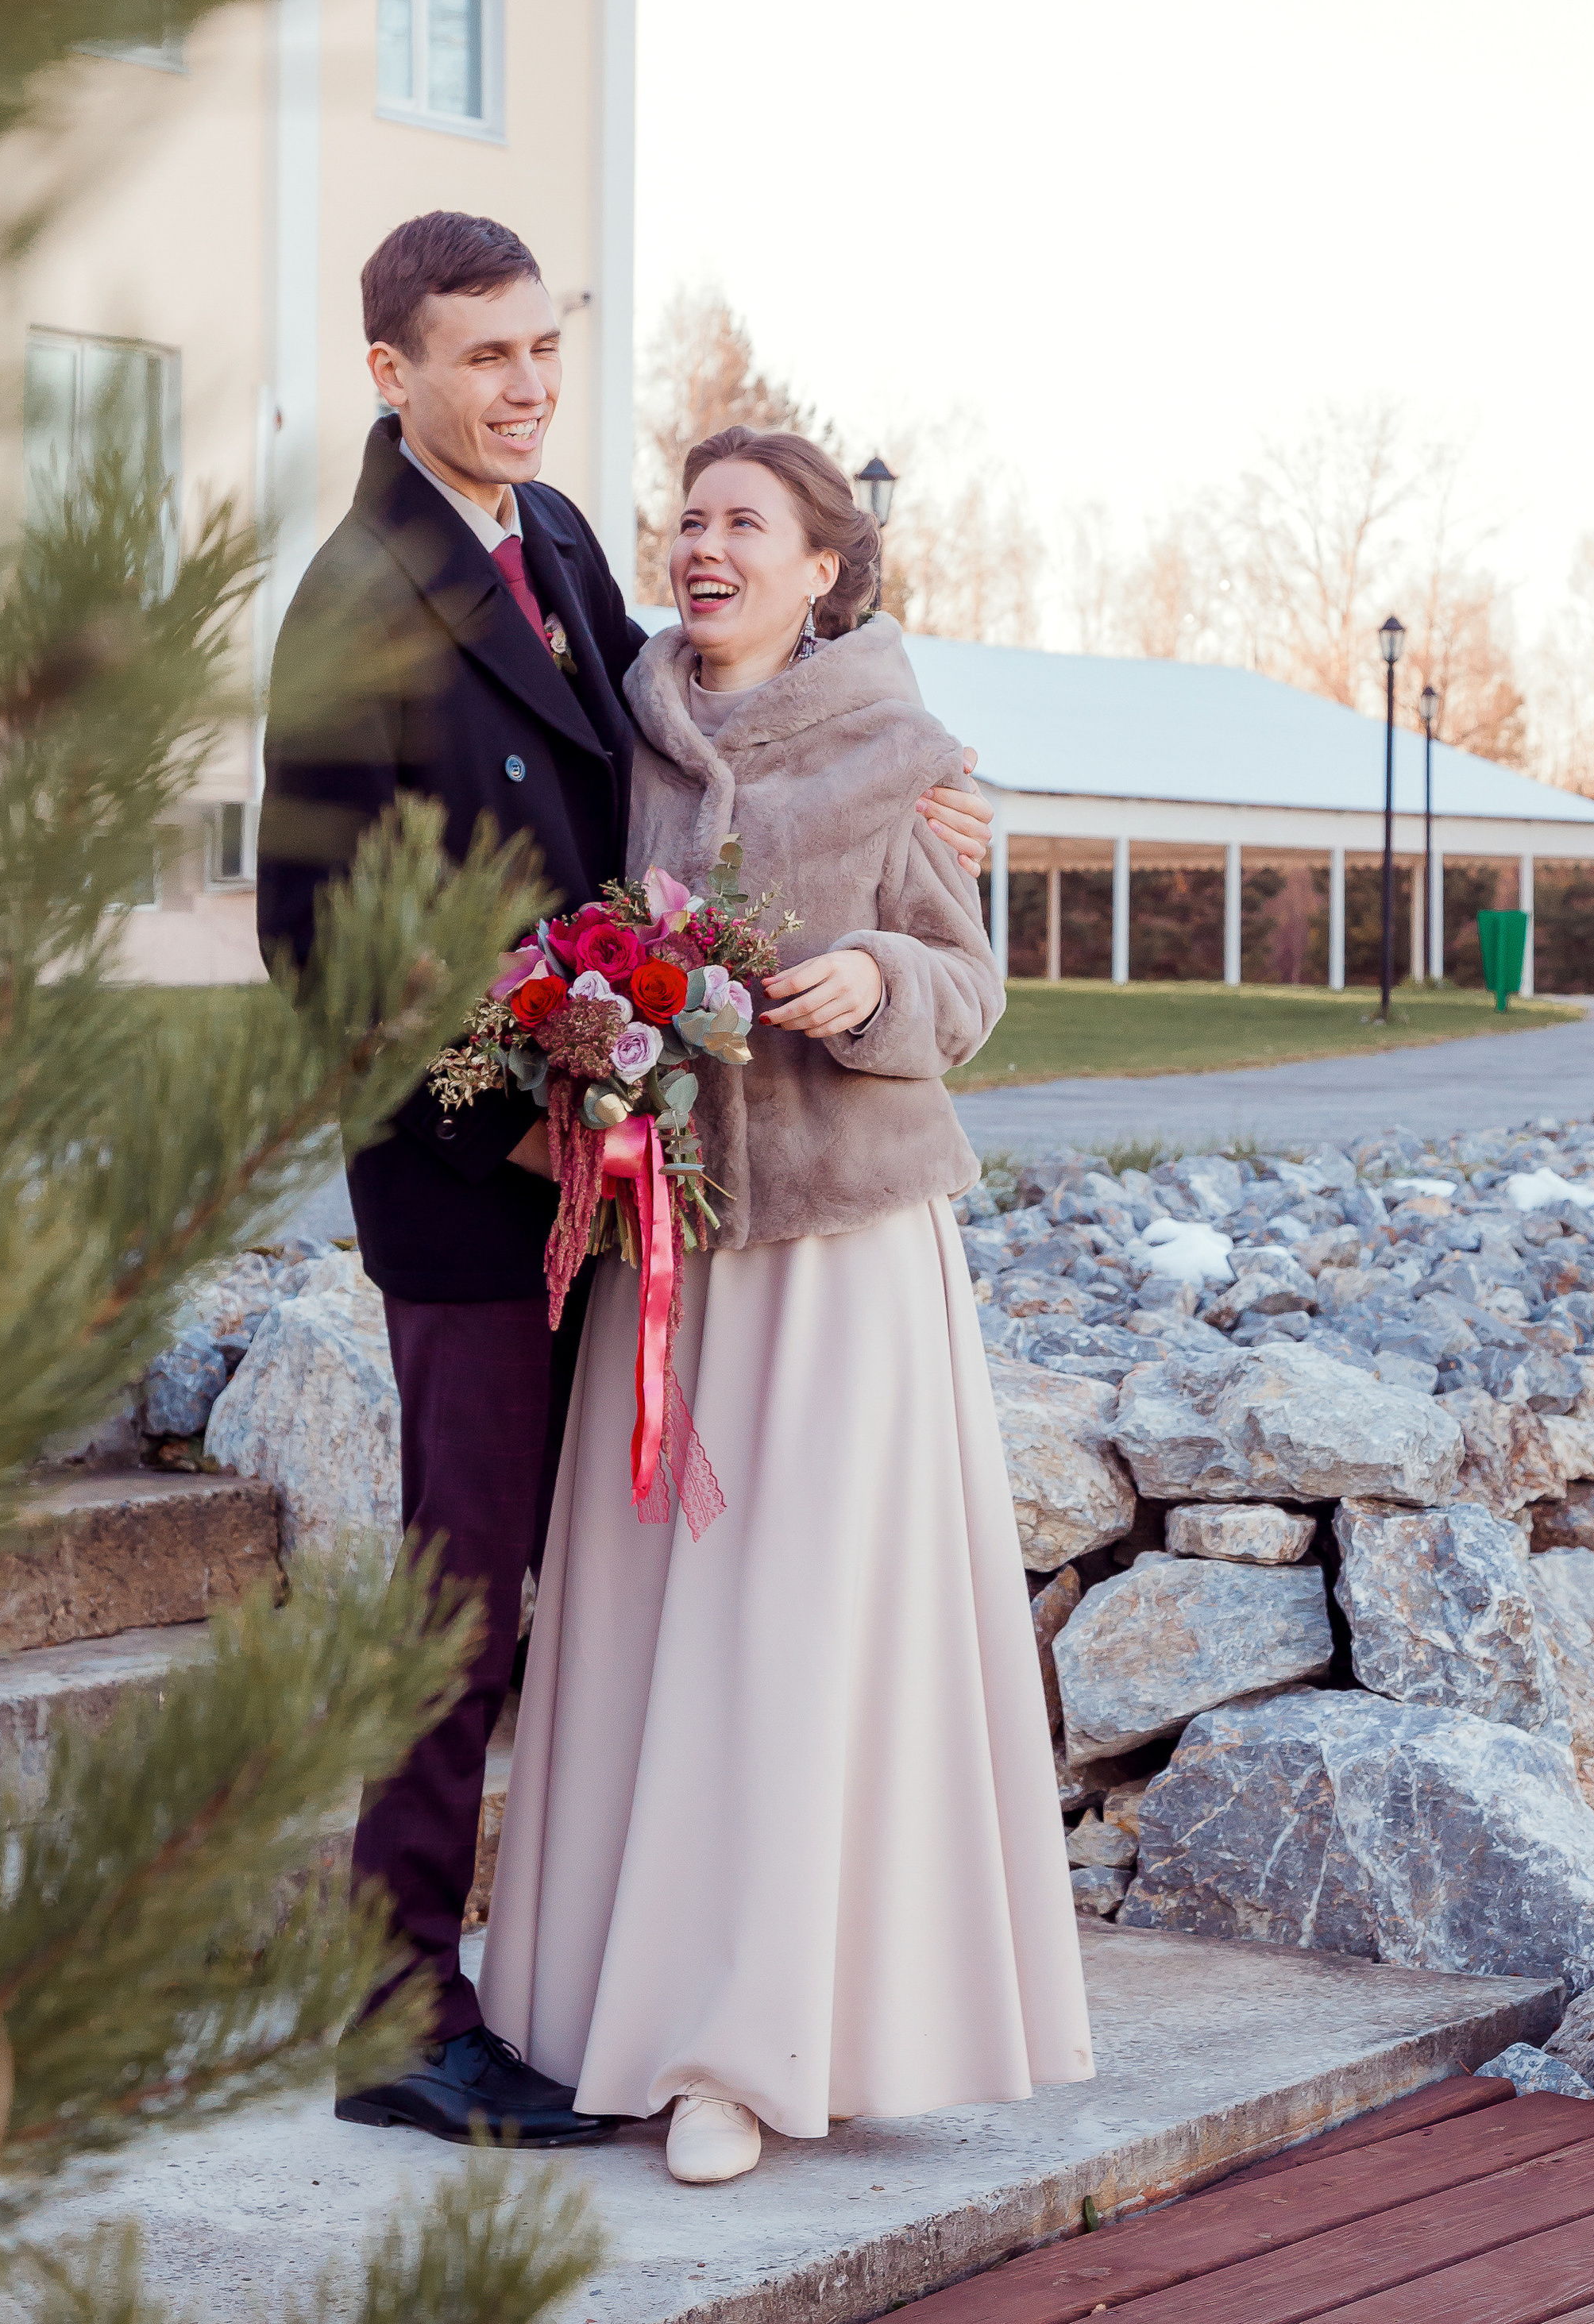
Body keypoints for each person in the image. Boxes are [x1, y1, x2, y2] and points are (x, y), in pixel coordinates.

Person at [255, 218, 995, 2150]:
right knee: (462, 1600)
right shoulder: (354, 599)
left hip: (631, 1172)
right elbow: (317, 941)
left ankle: (609, 1982)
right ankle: (394, 2011)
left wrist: (910, 781)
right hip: (482, 1189)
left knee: (611, 1609)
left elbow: (703, 733)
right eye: (478, 356)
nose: (521, 387)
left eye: (539, 349)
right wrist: (519, 1111)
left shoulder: (563, 539)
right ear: (388, 373)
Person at [480, 427, 1093, 2184]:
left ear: (823, 568)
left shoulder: (906, 755)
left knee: (797, 1647)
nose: (700, 544)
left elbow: (968, 987)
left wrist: (875, 976)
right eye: (686, 518)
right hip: (667, 1257)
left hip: (840, 1263)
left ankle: (756, 2056)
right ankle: (622, 2016)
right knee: (657, 1647)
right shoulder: (627, 730)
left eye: (742, 523)